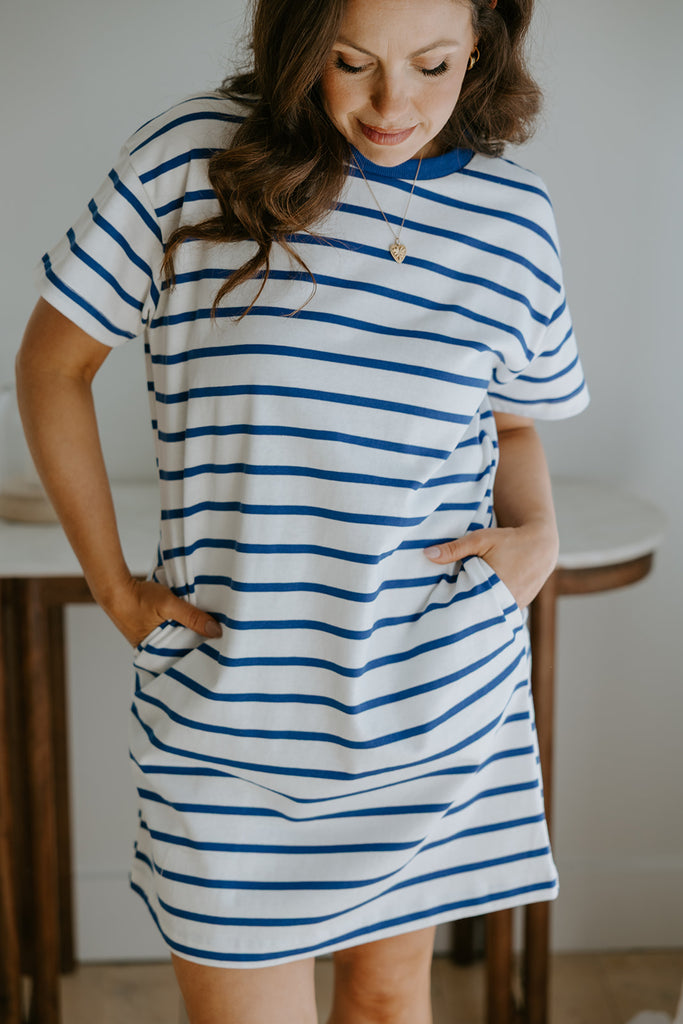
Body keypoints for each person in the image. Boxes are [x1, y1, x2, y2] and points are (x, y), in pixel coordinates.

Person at [16, 0, 588, 1020]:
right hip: (232, 714)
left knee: (384, 1000)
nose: (390, 104)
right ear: (297, 39)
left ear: (484, 39)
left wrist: (538, 533)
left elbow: (513, 426)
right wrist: (113, 587)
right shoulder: (191, 160)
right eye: (350, 61)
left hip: (429, 694)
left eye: (433, 64)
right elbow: (53, 367)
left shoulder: (511, 217)